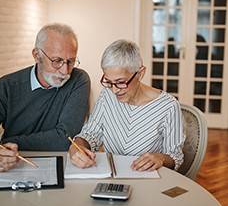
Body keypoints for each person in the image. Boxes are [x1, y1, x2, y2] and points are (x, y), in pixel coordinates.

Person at [0, 23, 90, 172]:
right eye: (57, 61)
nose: (65, 71)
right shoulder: (7, 86)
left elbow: (65, 139)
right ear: (37, 55)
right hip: (14, 167)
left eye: (71, 61)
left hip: (61, 166)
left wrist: (7, 142)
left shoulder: (79, 79)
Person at [68, 39, 184, 171]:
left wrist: (161, 158)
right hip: (111, 177)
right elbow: (90, 134)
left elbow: (176, 157)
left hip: (148, 179)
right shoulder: (107, 95)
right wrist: (76, 146)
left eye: (121, 82)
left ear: (140, 73)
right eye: (108, 81)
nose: (115, 90)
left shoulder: (168, 106)